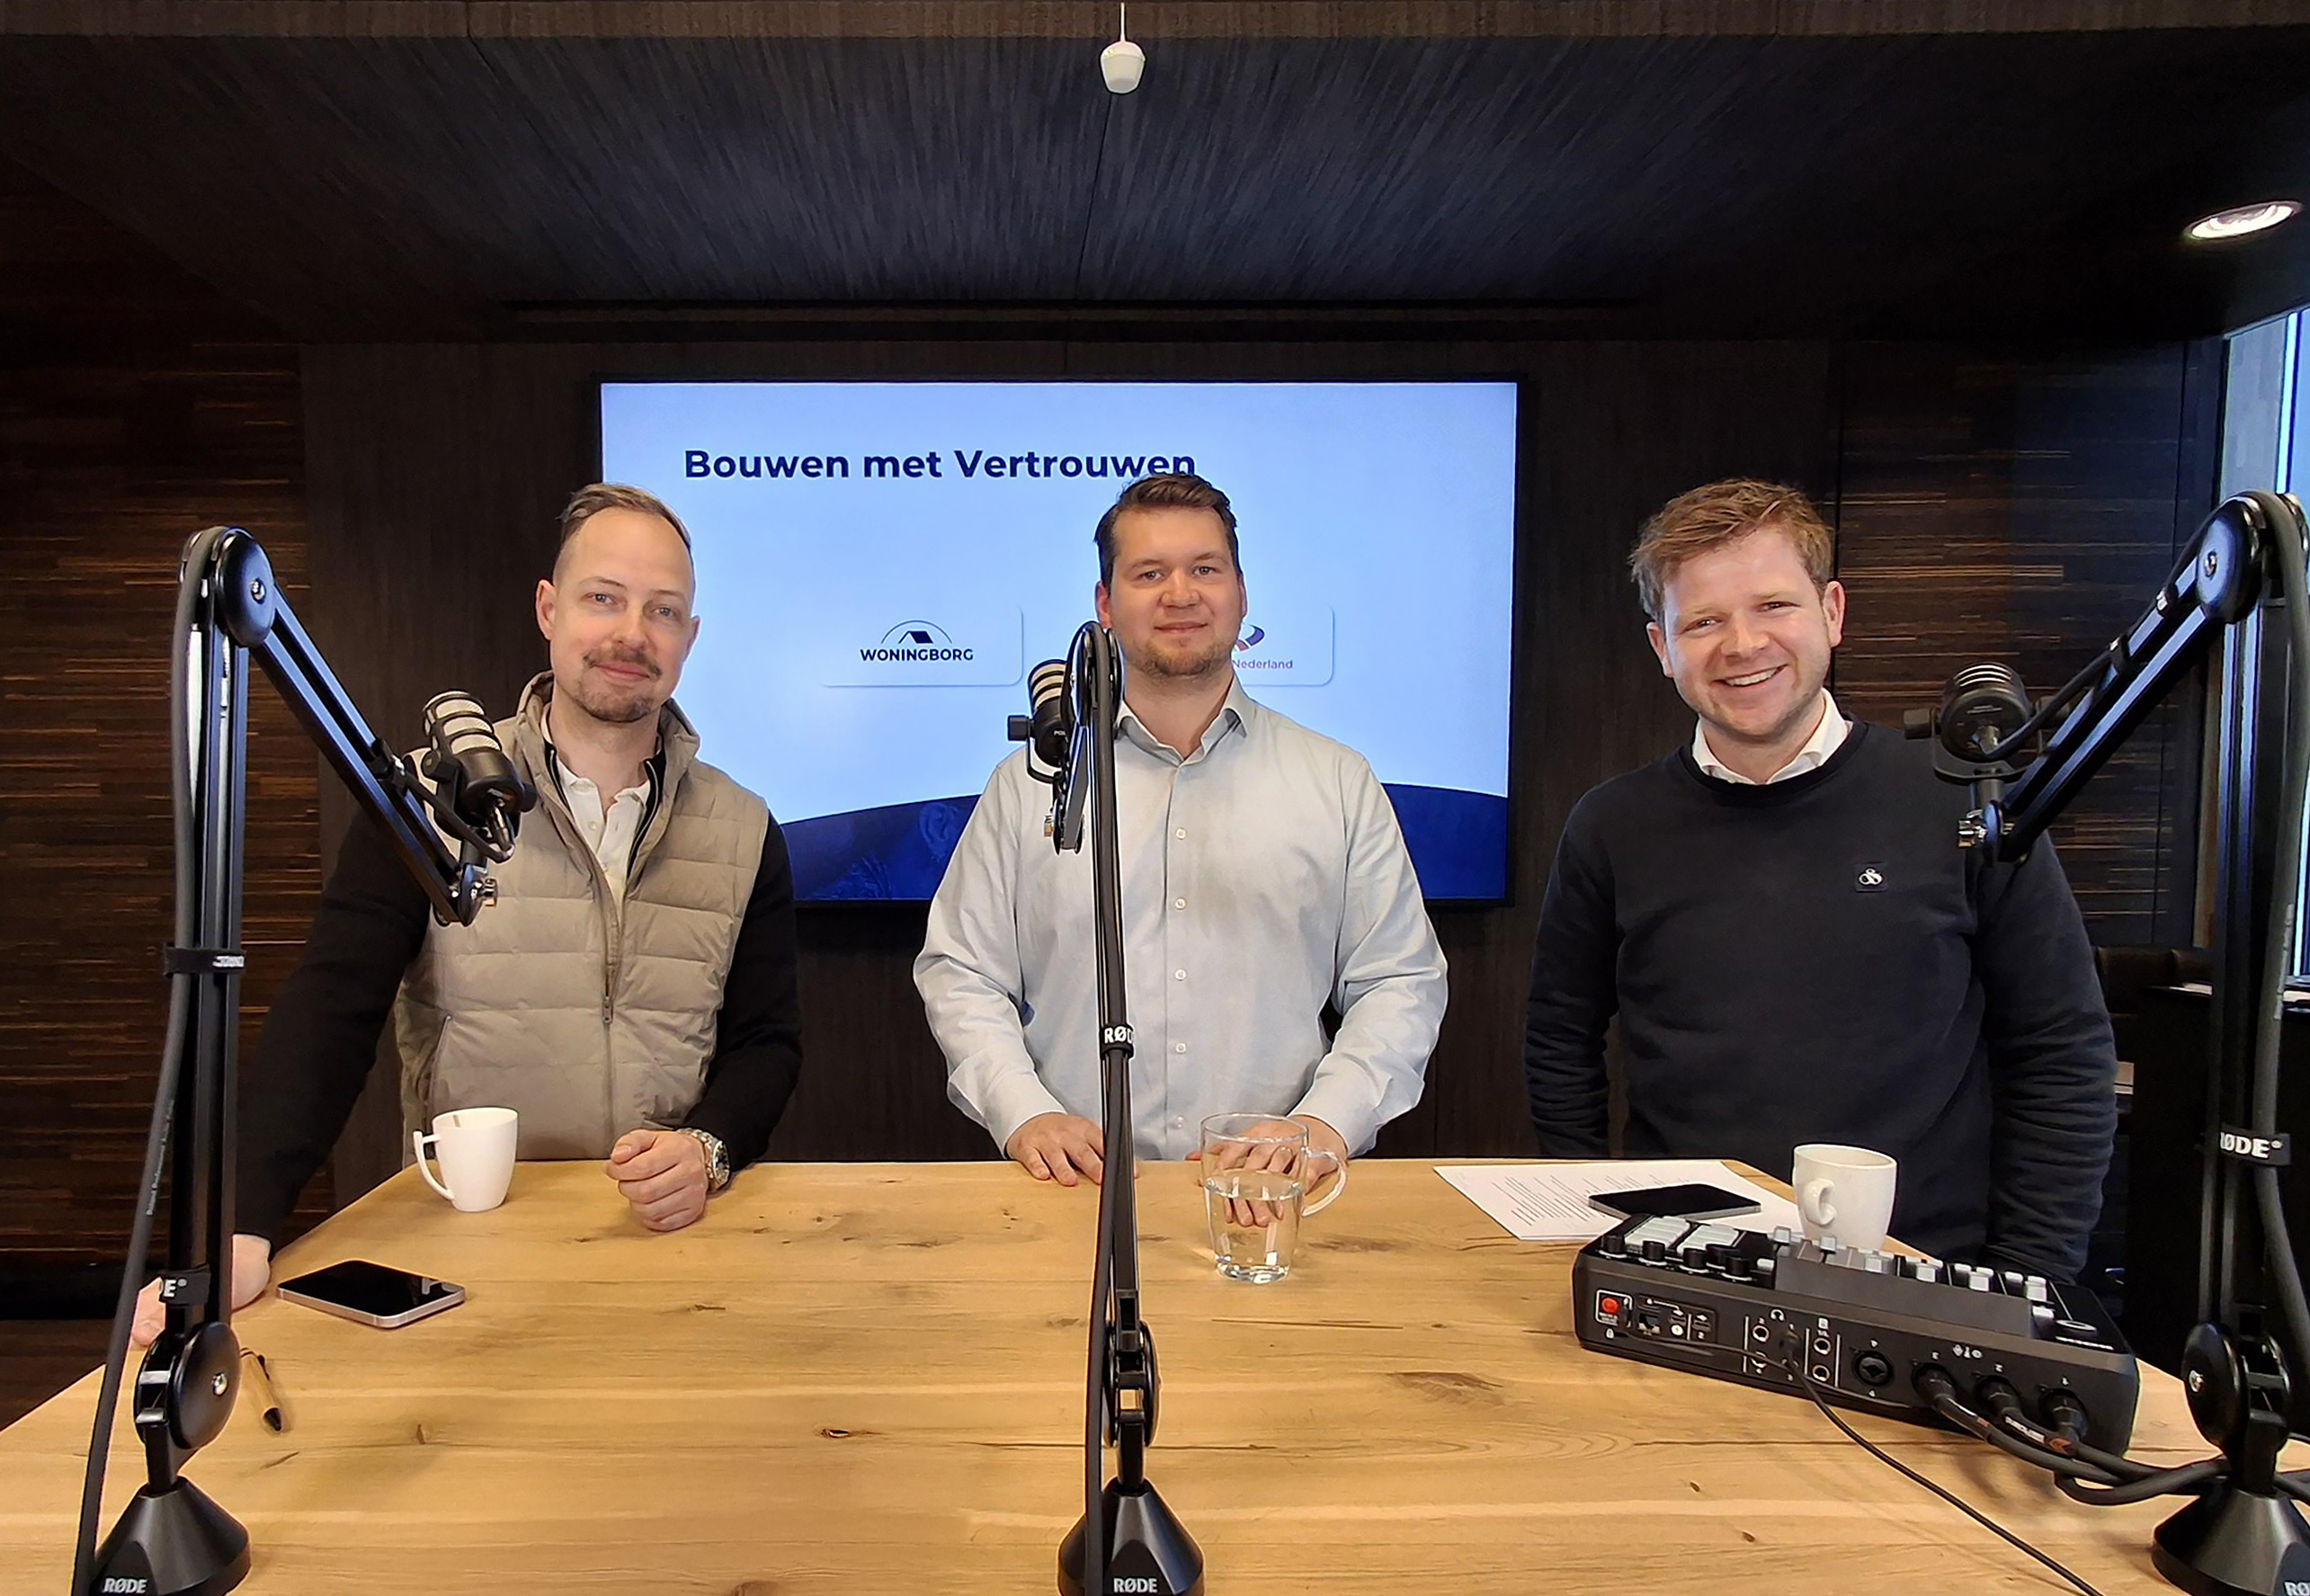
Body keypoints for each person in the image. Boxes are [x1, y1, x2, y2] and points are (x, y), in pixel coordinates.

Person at [133, 485, 802, 1343]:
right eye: (604, 598)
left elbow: (766, 1042)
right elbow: (331, 1012)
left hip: (665, 1241)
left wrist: (708, 1146)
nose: (633, 633)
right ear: (549, 609)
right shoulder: (427, 802)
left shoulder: (745, 827)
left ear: (690, 637)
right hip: (472, 1244)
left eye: (662, 610)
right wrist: (245, 1224)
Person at [1523, 477, 2115, 1277]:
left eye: (1773, 605)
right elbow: (1559, 1039)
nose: (1742, 644)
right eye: (1702, 621)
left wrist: (2023, 1275)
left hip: (1924, 1272)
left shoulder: (1962, 802)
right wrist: (1588, 1219)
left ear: (1831, 613)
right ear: (1662, 648)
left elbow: (2061, 1049)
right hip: (1686, 1267)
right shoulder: (1610, 824)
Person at [915, 473, 1448, 1185]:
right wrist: (1024, 1112)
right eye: (1149, 573)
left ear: (1241, 593)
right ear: (1105, 604)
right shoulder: (1030, 785)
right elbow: (962, 971)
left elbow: (1398, 980)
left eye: (1204, 569)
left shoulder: (1336, 781)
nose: (1180, 594)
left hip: (1271, 1192)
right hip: (1073, 1188)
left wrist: (1323, 1123)